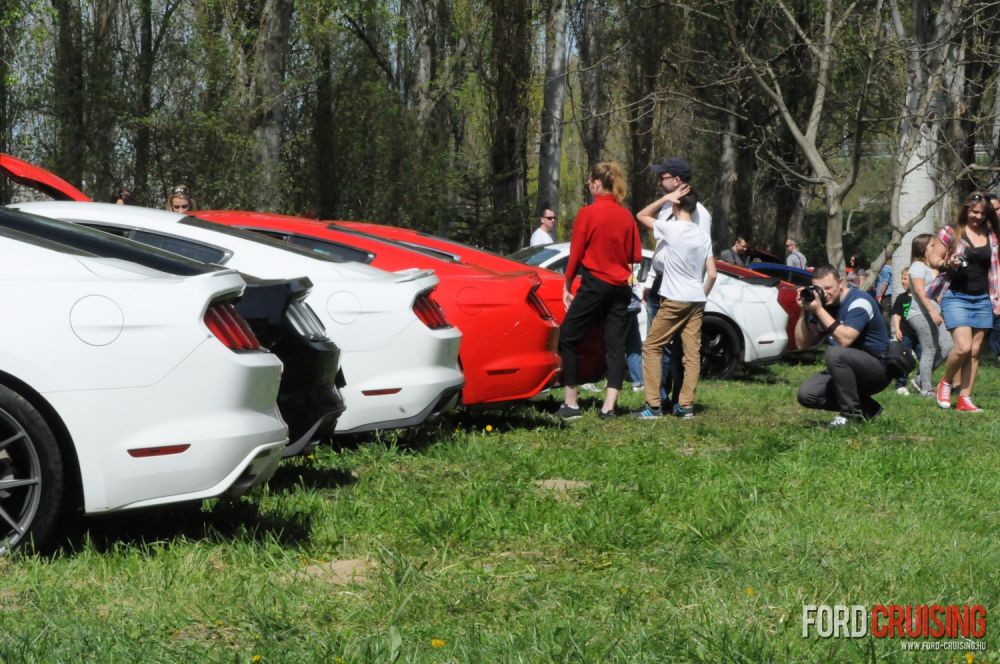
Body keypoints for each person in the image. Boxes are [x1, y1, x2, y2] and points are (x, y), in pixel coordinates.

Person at [556, 162, 642, 420]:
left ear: (596, 182)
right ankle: (609, 407)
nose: (587, 185)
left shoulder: (588, 213)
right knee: (615, 345)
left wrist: (567, 282)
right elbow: (635, 255)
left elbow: (576, 253)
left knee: (568, 335)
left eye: (589, 181)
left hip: (595, 283)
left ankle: (571, 403)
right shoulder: (626, 215)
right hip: (620, 287)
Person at [636, 188, 716, 418]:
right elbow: (712, 274)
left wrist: (663, 197)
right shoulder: (703, 235)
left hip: (674, 299)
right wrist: (701, 295)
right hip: (696, 300)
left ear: (675, 206)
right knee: (691, 354)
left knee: (652, 346)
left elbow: (641, 215)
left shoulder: (671, 229)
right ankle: (686, 405)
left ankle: (653, 406)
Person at [925, 192, 1000, 412]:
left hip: (983, 297)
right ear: (966, 209)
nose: (977, 216)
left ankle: (965, 399)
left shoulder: (992, 234)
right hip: (956, 295)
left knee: (975, 351)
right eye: (973, 211)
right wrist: (948, 262)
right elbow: (933, 259)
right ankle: (946, 382)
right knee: (963, 347)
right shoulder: (952, 232)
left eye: (982, 213)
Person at [795, 264, 891, 427]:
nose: (824, 293)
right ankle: (868, 408)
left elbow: (846, 339)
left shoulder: (860, 301)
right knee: (807, 394)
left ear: (841, 283)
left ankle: (850, 415)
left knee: (835, 353)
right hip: (845, 369)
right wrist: (804, 310)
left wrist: (818, 310)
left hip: (877, 370)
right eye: (819, 289)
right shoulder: (822, 306)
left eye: (828, 288)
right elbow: (802, 344)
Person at [906, 233, 953, 397]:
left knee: (948, 345)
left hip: (934, 312)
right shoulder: (917, 266)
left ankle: (920, 379)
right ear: (922, 248)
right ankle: (926, 389)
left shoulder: (929, 267)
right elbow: (919, 290)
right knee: (930, 349)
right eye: (932, 246)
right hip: (920, 313)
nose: (936, 249)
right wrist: (932, 311)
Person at [889, 267, 917, 395]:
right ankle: (900, 385)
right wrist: (897, 329)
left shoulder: (922, 297)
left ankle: (921, 381)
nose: (902, 281)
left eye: (905, 278)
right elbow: (896, 314)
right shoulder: (902, 298)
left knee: (927, 357)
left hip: (921, 335)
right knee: (903, 358)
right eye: (902, 278)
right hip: (906, 334)